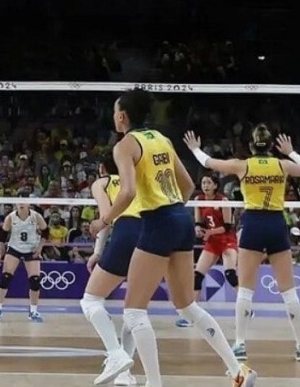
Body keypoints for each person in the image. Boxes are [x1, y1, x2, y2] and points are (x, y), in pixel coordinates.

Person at [90, 89, 255, 387]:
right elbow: (188, 184)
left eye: (116, 111)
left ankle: (155, 383)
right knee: (187, 306)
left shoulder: (125, 145)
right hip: (179, 216)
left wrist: (104, 219)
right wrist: (171, 208)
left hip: (158, 221)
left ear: (122, 116)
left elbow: (126, 192)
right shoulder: (161, 138)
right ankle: (237, 371)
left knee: (134, 311)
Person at [184, 126, 300, 362]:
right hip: (276, 223)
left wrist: (194, 149)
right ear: (272, 147)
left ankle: (240, 344)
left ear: (252, 147)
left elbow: (210, 162)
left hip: (253, 223)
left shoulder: (243, 165)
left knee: (245, 289)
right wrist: (291, 152)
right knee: (288, 290)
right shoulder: (282, 165)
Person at [81, 158, 138, 386]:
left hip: (125, 234)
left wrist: (98, 227)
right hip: (153, 235)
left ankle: (116, 354)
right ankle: (125, 374)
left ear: (102, 168)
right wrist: (97, 252)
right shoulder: (134, 179)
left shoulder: (101, 183)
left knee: (91, 300)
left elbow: (106, 217)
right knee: (135, 309)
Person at [174, 174, 239, 328]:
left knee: (230, 274)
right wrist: (198, 228)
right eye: (203, 182)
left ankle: (246, 306)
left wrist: (210, 232)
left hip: (227, 240)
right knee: (197, 276)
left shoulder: (223, 201)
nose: (205, 185)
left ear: (216, 185)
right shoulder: (198, 200)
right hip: (212, 242)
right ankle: (191, 316)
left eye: (209, 182)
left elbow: (228, 226)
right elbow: (198, 221)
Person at [0, 201, 47, 322]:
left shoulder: (36, 216)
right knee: (5, 277)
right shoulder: (10, 217)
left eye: (24, 202)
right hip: (14, 248)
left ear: (28, 204)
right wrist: (1, 253)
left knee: (35, 280)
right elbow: (2, 236)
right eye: (18, 201)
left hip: (31, 249)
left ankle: (33, 311)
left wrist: (40, 248)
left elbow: (46, 231)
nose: (21, 204)